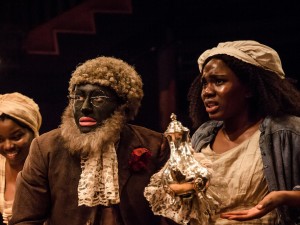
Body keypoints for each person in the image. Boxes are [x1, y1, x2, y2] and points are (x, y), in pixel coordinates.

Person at [9, 56, 177, 225]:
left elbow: (172, 214)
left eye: (98, 99)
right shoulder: (45, 148)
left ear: (122, 105)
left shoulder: (154, 145)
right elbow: (25, 220)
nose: (85, 107)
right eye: (79, 97)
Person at [170, 40, 300, 224]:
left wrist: (285, 197)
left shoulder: (287, 132)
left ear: (249, 88)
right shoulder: (202, 137)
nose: (207, 91)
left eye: (219, 81)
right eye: (204, 83)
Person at [0, 92, 42, 225]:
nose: (8, 146)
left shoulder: (48, 170)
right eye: (0, 139)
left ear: (33, 131)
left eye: (17, 137)